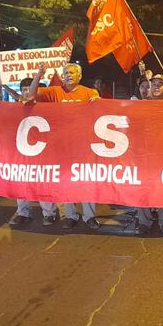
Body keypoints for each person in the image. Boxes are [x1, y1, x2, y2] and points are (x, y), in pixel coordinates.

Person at [27, 62, 102, 231]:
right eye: (66, 72)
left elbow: (102, 111)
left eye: (72, 72)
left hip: (84, 145)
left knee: (86, 180)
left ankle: (90, 217)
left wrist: (98, 102)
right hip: (62, 146)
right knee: (66, 181)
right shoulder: (55, 91)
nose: (68, 75)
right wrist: (39, 74)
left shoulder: (90, 92)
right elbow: (31, 95)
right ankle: (70, 216)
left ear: (80, 76)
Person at [8, 77, 61, 227]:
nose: (27, 92)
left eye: (29, 89)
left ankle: (49, 213)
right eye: (23, 90)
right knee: (22, 182)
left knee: (44, 181)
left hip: (44, 152)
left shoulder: (48, 107)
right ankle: (23, 212)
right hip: (23, 152)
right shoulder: (15, 108)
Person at [134, 74, 163, 236]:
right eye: (154, 83)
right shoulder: (140, 105)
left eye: (161, 84)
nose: (157, 86)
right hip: (144, 154)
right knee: (143, 188)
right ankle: (144, 222)